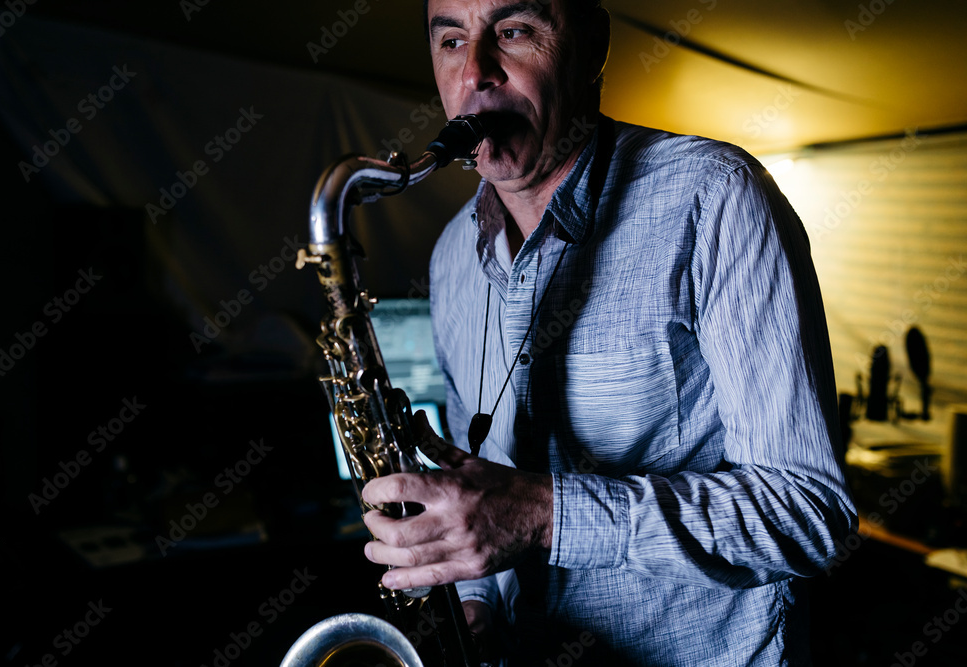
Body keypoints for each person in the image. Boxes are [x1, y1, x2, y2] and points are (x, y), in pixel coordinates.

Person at [361, 0, 857, 664]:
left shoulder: (716, 197)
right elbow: (479, 492)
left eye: (513, 32)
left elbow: (809, 512)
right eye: (451, 40)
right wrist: (473, 606)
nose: (474, 73)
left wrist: (544, 513)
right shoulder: (452, 256)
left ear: (592, 48)